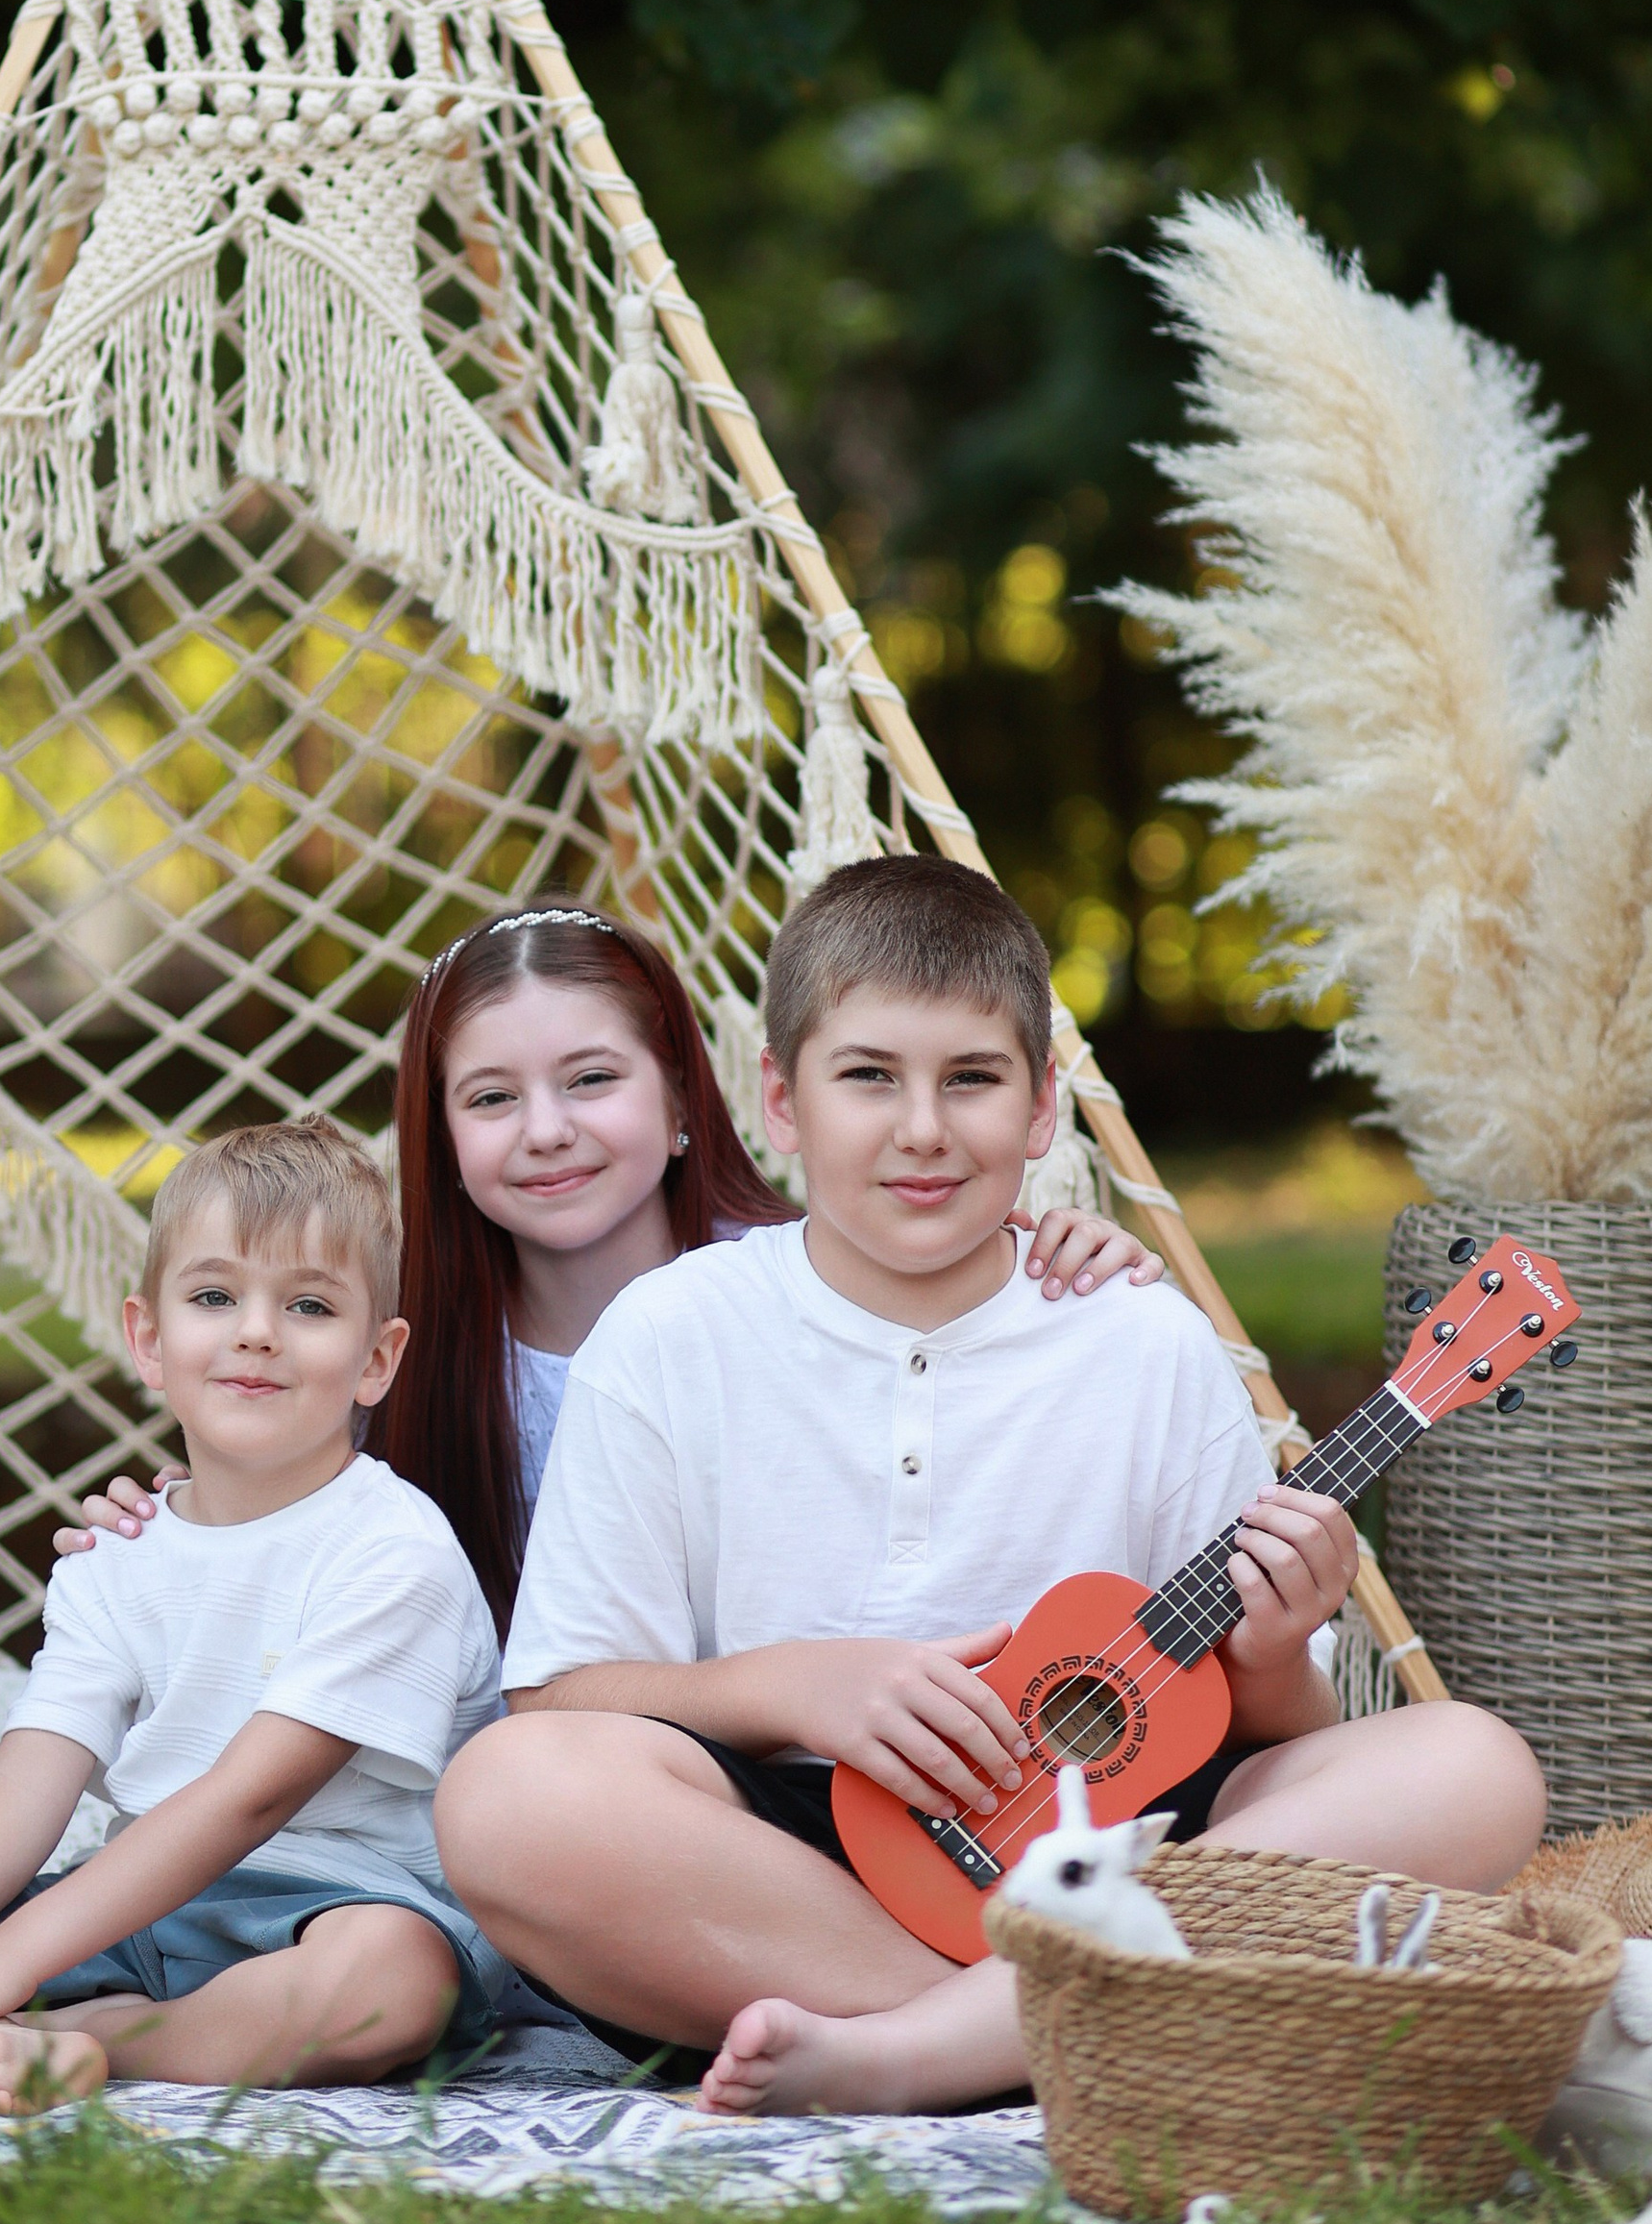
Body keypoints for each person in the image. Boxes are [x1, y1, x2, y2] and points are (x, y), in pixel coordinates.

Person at [431, 855, 1548, 2112]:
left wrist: (1279, 1649)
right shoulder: (673, 1332)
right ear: (780, 1101)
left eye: (971, 1079)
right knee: (506, 1797)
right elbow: (568, 1693)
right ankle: (1056, 2033)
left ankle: (919, 2056)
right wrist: (798, 1686)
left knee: (1472, 1766)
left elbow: (1266, 1741)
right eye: (867, 1077)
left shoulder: (1140, 1338)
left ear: (1039, 1112)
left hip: (1112, 1848)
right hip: (794, 1871)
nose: (922, 1130)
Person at [0, 1119, 517, 2108]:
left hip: (329, 1909)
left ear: (374, 1361)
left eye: (308, 1304)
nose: (255, 1330)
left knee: (391, 1984)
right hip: (124, 1910)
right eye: (214, 1296)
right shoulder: (117, 1553)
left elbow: (247, 1802)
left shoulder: (393, 1549)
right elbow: (36, 1766)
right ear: (148, 1337)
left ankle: (78, 2040)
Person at [60, 906, 1165, 1628]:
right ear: (439, 1136)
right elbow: (269, 1527)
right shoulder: (392, 1354)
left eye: (591, 1081)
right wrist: (166, 1529)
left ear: (683, 1095)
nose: (546, 1131)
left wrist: (1028, 1251)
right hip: (539, 1792)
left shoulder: (804, 1293)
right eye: (491, 1098)